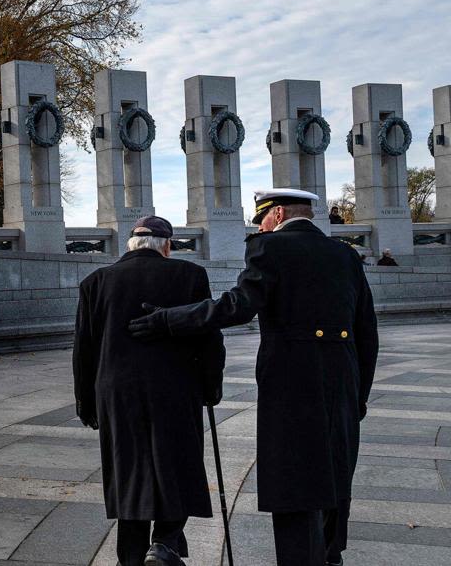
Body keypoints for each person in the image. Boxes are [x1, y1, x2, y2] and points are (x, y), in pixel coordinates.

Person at [129, 189, 379, 566]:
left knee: (295, 480)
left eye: (261, 218)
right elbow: (367, 331)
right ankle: (331, 555)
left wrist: (170, 318)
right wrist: (358, 394)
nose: (259, 226)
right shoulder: (345, 254)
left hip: (292, 382)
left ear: (277, 214)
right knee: (335, 476)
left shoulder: (270, 248)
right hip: (342, 380)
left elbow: (237, 305)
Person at [73, 215, 225, 566]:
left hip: (116, 393)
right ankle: (166, 541)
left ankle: (131, 556)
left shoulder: (96, 281)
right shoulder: (190, 276)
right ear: (166, 245)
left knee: (129, 471)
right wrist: (211, 387)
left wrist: (87, 404)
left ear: (130, 243)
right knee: (178, 463)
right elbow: (208, 337)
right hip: (176, 389)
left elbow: (84, 349)